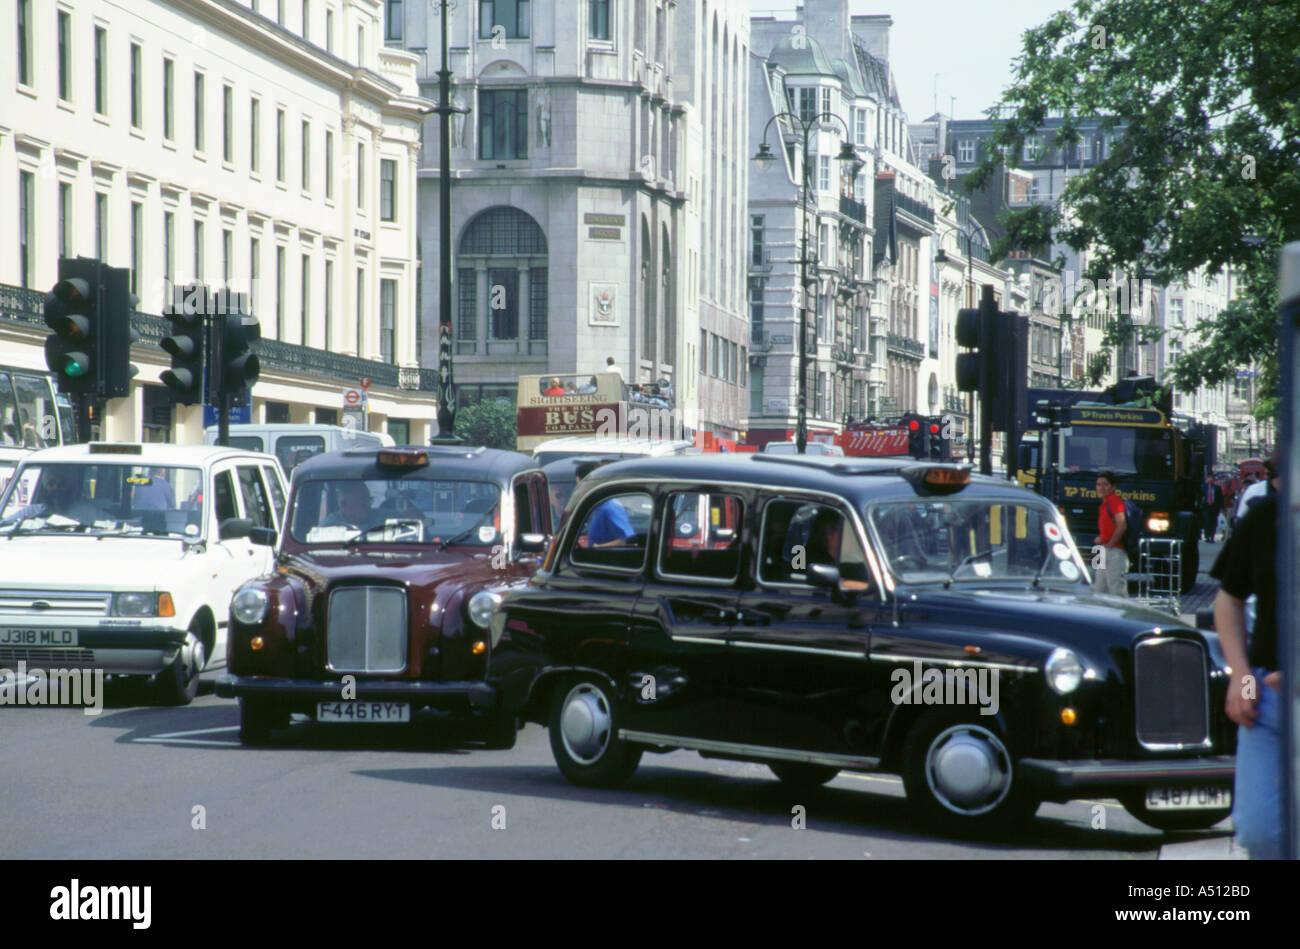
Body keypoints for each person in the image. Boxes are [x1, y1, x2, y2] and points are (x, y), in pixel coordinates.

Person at [1210, 452, 1281, 859]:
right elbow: (1228, 598)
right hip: (1268, 699)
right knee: (1258, 831)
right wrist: (1242, 677)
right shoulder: (1264, 518)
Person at [3, 467, 104, 525]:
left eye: (62, 484)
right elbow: (5, 524)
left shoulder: (88, 512)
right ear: (45, 489)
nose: (57, 488)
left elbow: (114, 524)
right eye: (51, 484)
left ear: (69, 488)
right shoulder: (32, 512)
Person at [575, 460, 633, 547]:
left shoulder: (609, 507)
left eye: (580, 485)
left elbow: (623, 541)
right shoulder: (597, 506)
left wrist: (597, 547)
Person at [1091, 470, 1128, 596]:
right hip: (1100, 550)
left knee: (1116, 590)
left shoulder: (1114, 501)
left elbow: (1121, 525)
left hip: (1114, 551)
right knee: (1098, 590)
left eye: (1105, 484)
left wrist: (1110, 543)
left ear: (1113, 487)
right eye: (1098, 484)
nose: (1101, 488)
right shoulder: (1103, 504)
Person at [1202, 474, 1224, 542]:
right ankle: (1207, 536)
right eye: (1209, 478)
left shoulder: (1217, 488)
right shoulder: (1204, 487)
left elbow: (1220, 498)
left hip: (1215, 507)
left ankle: (1212, 536)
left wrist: (1221, 507)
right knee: (1207, 522)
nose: (1210, 480)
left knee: (1213, 522)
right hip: (1206, 506)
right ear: (1207, 480)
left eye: (1211, 478)